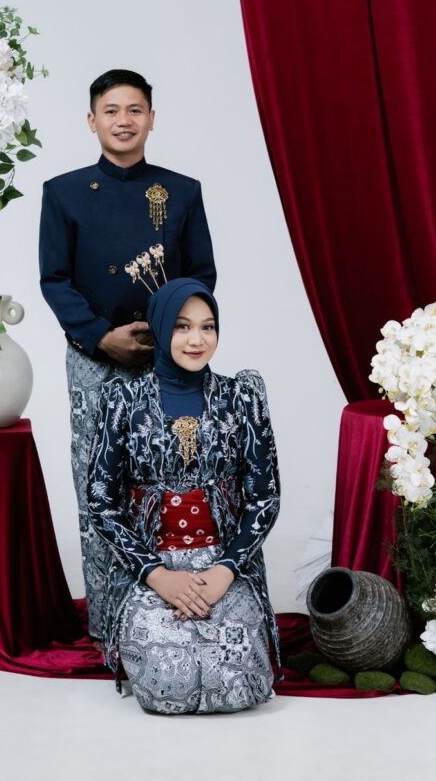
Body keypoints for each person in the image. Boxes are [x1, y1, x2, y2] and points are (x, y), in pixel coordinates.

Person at [38, 70, 216, 638]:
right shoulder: (63, 192)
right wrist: (100, 336)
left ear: (152, 119)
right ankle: (109, 619)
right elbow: (55, 280)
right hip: (94, 358)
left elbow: (201, 275)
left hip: (166, 360)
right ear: (91, 120)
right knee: (99, 485)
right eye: (111, 111)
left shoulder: (181, 190)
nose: (123, 121)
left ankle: (173, 605)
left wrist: (168, 334)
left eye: (135, 110)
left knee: (169, 475)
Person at [87, 278, 280, 714]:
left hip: (224, 563)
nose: (197, 340)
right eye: (181, 326)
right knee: (169, 685)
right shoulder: (123, 400)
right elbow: (102, 501)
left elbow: (264, 498)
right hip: (150, 566)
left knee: (238, 683)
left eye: (207, 327)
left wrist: (225, 570)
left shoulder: (241, 397)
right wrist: (158, 576)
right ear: (159, 329)